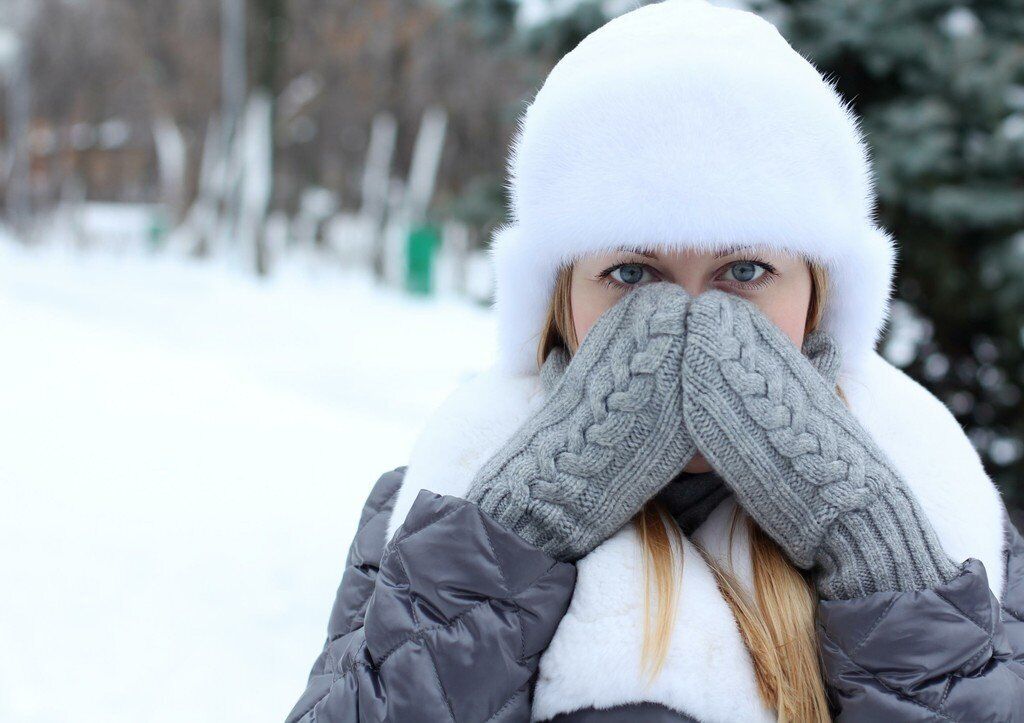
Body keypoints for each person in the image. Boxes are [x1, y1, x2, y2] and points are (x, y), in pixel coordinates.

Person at [285, 1, 1024, 721]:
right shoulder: (433, 502)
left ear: (818, 293)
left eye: (745, 271)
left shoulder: (946, 514)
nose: (687, 328)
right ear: (560, 295)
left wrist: (875, 551)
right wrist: (514, 533)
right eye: (633, 275)